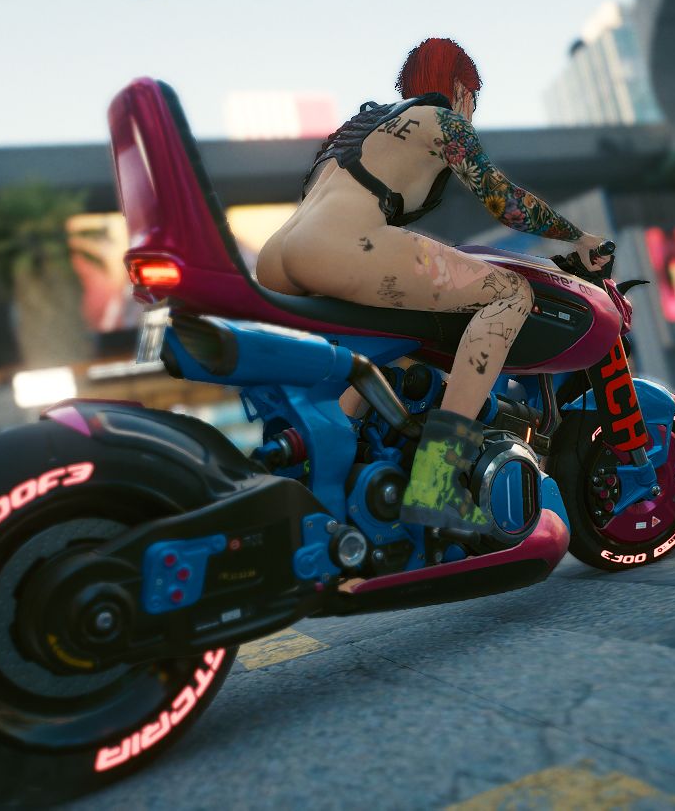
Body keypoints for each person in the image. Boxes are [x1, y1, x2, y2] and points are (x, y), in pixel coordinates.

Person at [257, 37, 609, 538]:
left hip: (279, 256)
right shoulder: (440, 119)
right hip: (340, 246)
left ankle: (337, 460)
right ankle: (438, 478)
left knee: (390, 345)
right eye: (474, 100)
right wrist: (578, 237)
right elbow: (507, 204)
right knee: (511, 294)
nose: (472, 112)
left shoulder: (363, 127)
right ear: (462, 89)